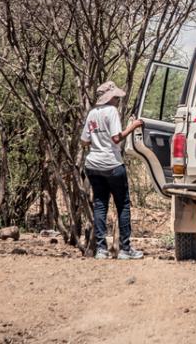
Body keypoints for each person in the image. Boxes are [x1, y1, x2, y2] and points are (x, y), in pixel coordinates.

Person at [81, 80, 144, 260]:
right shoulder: (112, 112)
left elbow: (84, 141)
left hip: (93, 165)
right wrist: (134, 126)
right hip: (112, 164)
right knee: (122, 205)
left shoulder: (92, 113)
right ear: (111, 97)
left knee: (100, 204)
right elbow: (116, 138)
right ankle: (125, 249)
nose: (117, 100)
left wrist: (97, 140)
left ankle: (101, 249)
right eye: (116, 97)